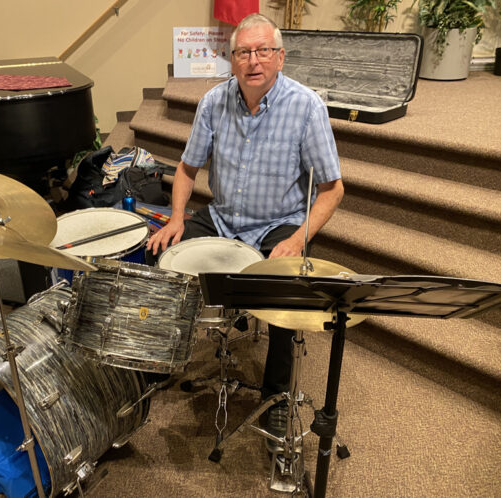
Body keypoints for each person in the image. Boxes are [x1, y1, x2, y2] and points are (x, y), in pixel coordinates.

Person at [147, 13, 344, 450]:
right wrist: (176, 219)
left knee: (284, 285)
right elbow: (186, 169)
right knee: (160, 254)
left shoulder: (306, 106)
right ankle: (162, 359)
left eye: (263, 51)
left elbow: (333, 189)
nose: (253, 61)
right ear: (232, 59)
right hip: (222, 217)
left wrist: (297, 239)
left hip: (278, 223)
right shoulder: (213, 102)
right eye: (243, 52)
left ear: (280, 57)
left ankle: (276, 393)